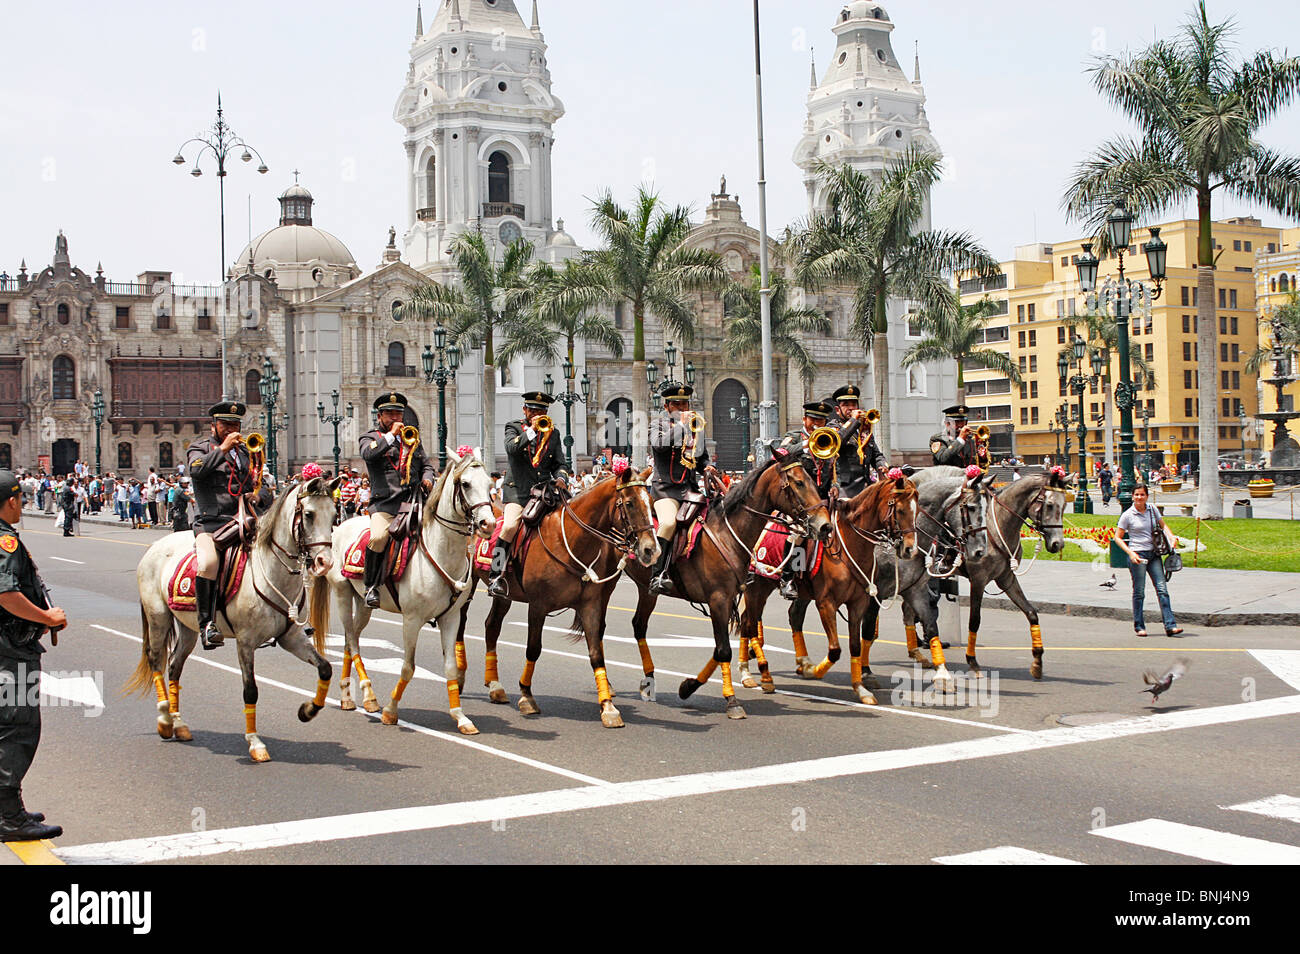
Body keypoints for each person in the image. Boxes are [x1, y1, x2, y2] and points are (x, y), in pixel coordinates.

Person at [0, 469, 68, 842]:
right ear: (11, 500)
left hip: (7, 646)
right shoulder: (4, 541)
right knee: (18, 727)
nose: (23, 504)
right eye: (21, 498)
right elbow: (6, 594)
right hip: (10, 650)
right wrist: (47, 617)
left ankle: (8, 807)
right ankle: (9, 818)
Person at [186, 401, 273, 650]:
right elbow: (196, 471)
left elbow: (261, 483)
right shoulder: (200, 447)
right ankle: (207, 625)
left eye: (235, 425)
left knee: (278, 554)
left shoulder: (247, 452)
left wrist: (258, 496)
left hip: (243, 521)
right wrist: (222, 449)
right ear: (214, 425)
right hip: (211, 523)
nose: (231, 429)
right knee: (209, 563)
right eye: (226, 424)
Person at [359, 393, 436, 608]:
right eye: (390, 414)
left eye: (399, 413)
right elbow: (369, 455)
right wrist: (391, 436)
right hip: (385, 504)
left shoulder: (412, 439)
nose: (396, 418)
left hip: (412, 502)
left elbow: (426, 465)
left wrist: (428, 478)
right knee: (379, 537)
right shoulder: (370, 438)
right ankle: (371, 586)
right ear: (380, 416)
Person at [489, 391, 568, 597]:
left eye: (541, 411)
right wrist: (532, 430)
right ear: (524, 410)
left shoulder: (554, 434)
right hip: (518, 491)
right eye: (532, 410)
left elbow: (560, 463)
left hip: (543, 493)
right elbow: (511, 449)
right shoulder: (513, 427)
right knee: (509, 527)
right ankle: (495, 575)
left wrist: (561, 477)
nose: (536, 414)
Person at [646, 381, 718, 593]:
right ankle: (657, 574)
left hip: (690, 491)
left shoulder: (696, 428)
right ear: (667, 407)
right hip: (665, 491)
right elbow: (659, 447)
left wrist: (708, 467)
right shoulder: (657, 425)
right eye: (676, 405)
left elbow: (702, 458)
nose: (682, 409)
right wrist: (680, 427)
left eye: (684, 405)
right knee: (668, 523)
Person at [776, 401, 839, 599]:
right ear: (804, 419)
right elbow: (781, 454)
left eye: (821, 420)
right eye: (813, 419)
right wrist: (805, 444)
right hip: (799, 504)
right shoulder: (793, 437)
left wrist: (835, 486)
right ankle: (790, 577)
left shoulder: (828, 440)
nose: (816, 424)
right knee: (798, 534)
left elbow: (832, 470)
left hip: (823, 502)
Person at [1114, 484, 1183, 638]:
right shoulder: (1128, 515)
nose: (1139, 497)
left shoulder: (1152, 509)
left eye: (1142, 495)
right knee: (1139, 592)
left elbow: (1163, 526)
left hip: (1154, 554)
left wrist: (1171, 537)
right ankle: (1139, 626)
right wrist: (1130, 553)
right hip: (1138, 556)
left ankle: (1170, 625)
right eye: (1137, 495)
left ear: (1147, 496)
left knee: (1162, 589)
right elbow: (1117, 537)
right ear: (1132, 496)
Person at [830, 384, 887, 498]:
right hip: (844, 489)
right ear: (837, 410)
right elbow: (838, 442)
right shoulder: (833, 427)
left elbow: (876, 454)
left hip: (866, 487)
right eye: (846, 405)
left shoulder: (863, 429)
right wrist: (853, 420)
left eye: (854, 404)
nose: (851, 408)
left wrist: (882, 465)